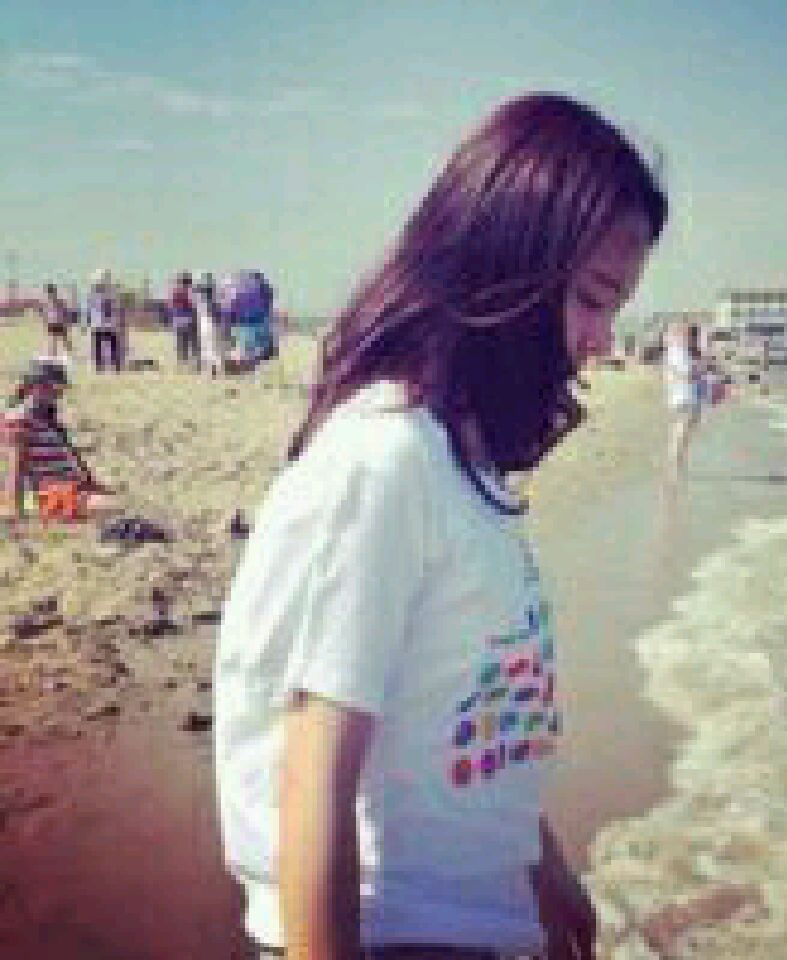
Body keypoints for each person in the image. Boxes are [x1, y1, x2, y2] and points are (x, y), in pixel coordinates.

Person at [214, 92, 667, 960]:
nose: (604, 340)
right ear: (506, 265)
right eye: (592, 299)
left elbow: (456, 715)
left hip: (470, 915)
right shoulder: (386, 461)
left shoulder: (464, 465)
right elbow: (313, 779)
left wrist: (543, 869)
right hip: (393, 926)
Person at [1, 361, 114, 519]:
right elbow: (16, 466)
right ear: (33, 387)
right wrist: (14, 509)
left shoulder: (47, 419)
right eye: (51, 389)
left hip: (67, 489)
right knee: (108, 507)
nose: (56, 396)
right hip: (48, 493)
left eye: (58, 391)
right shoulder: (19, 419)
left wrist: (91, 484)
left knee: (112, 503)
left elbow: (72, 457)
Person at [663, 321, 702, 484]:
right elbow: (686, 374)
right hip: (685, 396)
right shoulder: (679, 352)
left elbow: (673, 372)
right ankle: (675, 469)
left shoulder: (675, 351)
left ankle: (676, 467)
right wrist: (693, 375)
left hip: (681, 395)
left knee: (681, 433)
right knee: (681, 434)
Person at [86, 268, 122, 373]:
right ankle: (111, 366)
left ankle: (102, 366)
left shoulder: (93, 296)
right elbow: (112, 309)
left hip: (100, 324)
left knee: (101, 346)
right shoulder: (109, 295)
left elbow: (91, 311)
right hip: (105, 324)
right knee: (109, 345)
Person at [195, 272, 228, 376]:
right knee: (214, 345)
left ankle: (210, 367)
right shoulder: (215, 300)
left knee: (206, 345)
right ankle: (216, 367)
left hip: (204, 321)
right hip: (212, 321)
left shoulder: (201, 300)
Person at [169, 271, 199, 369]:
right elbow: (193, 305)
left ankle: (182, 361)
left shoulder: (175, 291)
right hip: (188, 319)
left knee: (181, 342)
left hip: (178, 320)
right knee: (192, 342)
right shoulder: (190, 291)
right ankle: (193, 361)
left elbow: (171, 305)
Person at [39, 283, 73, 359]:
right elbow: (45, 314)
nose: (50, 295)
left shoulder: (58, 302)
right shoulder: (49, 303)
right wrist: (45, 322)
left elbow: (64, 311)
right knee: (54, 341)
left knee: (62, 340)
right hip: (53, 323)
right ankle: (54, 355)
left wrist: (65, 321)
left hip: (58, 322)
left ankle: (68, 353)